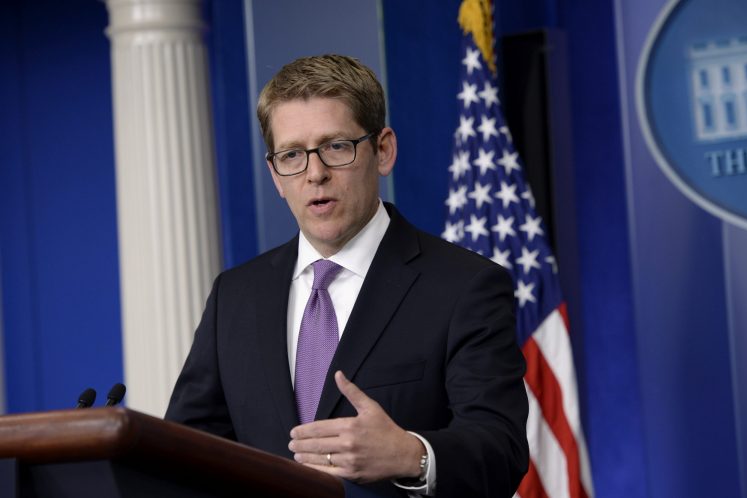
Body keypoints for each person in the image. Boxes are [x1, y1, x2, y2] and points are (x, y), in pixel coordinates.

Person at [166, 54, 528, 497]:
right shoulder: (236, 296)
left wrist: (409, 454)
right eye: (293, 155)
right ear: (275, 175)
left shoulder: (464, 285)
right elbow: (185, 451)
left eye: (336, 146)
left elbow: (501, 447)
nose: (315, 173)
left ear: (383, 150)